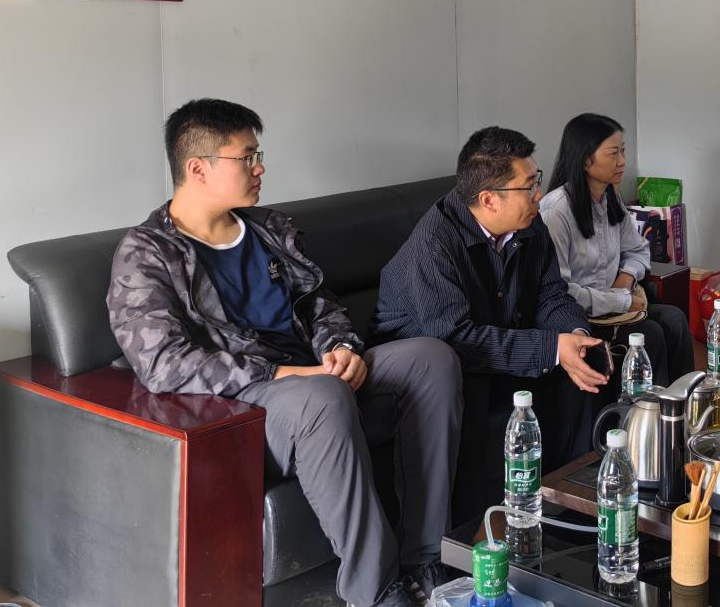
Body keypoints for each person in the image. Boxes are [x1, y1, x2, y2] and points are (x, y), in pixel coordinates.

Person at [108, 99, 460, 607]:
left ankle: (425, 559)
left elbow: (319, 303)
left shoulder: (269, 229)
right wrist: (287, 373)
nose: (260, 168)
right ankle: (376, 593)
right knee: (322, 397)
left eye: (258, 155)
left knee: (431, 358)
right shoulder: (147, 253)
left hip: (315, 376)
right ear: (198, 168)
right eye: (246, 157)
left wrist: (340, 348)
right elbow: (163, 363)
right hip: (248, 404)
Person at [371, 126, 608, 524]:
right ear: (488, 200)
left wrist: (575, 337)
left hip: (491, 340)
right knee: (478, 384)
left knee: (580, 370)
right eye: (529, 186)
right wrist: (551, 348)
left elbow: (551, 295)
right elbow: (457, 339)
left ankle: (570, 510)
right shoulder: (434, 244)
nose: (539, 195)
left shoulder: (528, 223)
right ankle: (470, 532)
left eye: (536, 181)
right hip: (430, 363)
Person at [540, 113, 694, 387]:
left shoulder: (609, 197)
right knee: (651, 334)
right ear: (585, 160)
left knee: (675, 319)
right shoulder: (557, 211)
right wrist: (620, 301)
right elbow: (561, 292)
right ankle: (649, 410)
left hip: (616, 305)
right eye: (613, 153)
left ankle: (686, 402)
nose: (622, 161)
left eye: (623, 151)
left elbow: (638, 249)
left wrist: (625, 280)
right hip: (581, 317)